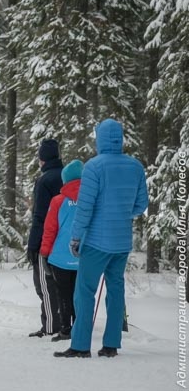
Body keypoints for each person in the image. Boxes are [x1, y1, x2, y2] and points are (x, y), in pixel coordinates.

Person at [55, 120, 148, 359]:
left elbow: (85, 207)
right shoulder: (135, 167)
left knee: (84, 291)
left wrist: (76, 238)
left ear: (100, 139)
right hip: (122, 242)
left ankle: (80, 346)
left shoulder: (94, 167)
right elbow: (140, 205)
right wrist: (120, 214)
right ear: (120, 138)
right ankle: (111, 345)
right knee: (116, 291)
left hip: (96, 241)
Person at [40, 159, 83, 342]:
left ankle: (66, 329)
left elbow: (50, 229)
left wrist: (44, 253)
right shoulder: (92, 200)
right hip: (84, 257)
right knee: (80, 294)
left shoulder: (58, 201)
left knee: (64, 294)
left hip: (60, 257)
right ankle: (81, 328)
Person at [27, 139, 64, 338]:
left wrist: (33, 245)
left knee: (44, 285)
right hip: (68, 240)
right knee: (64, 285)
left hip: (46, 241)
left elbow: (39, 216)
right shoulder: (68, 177)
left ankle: (50, 326)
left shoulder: (44, 181)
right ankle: (66, 323)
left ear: (42, 159)